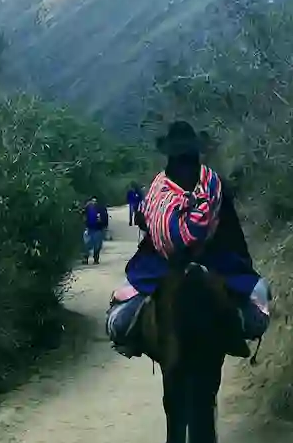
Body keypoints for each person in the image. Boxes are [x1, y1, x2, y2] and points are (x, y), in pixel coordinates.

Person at [106, 120, 272, 356]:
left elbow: (145, 222)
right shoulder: (215, 183)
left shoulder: (158, 187)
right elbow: (231, 227)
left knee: (122, 318)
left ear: (169, 155)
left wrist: (166, 236)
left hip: (160, 265)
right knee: (255, 300)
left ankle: (131, 340)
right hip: (215, 260)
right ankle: (239, 335)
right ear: (196, 152)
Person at [82, 196, 108, 265]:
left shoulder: (88, 207)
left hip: (94, 228)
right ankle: (92, 258)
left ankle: (90, 258)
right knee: (92, 244)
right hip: (93, 228)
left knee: (91, 244)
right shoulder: (99, 207)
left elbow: (83, 216)